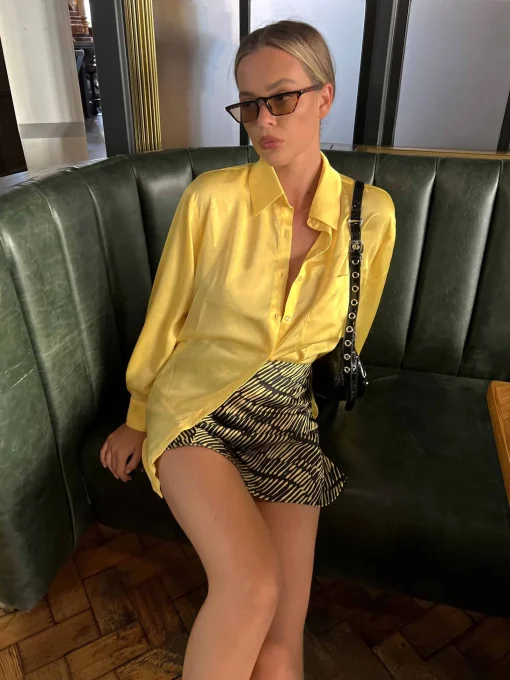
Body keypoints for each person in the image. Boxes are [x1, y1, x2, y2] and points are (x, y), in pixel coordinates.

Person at [100, 19, 395, 680]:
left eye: (282, 97)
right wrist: (138, 413)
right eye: (249, 103)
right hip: (195, 404)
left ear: (324, 96)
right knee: (253, 586)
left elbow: (353, 334)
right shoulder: (212, 199)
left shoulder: (370, 215)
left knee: (281, 646)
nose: (263, 121)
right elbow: (167, 314)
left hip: (285, 417)